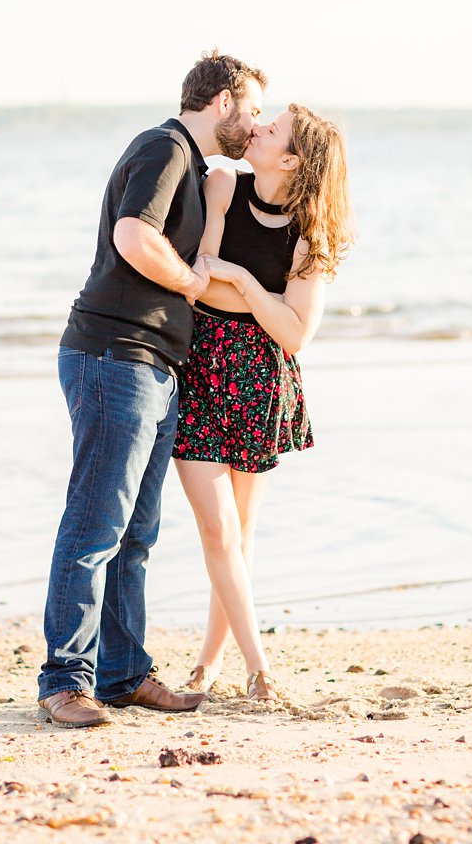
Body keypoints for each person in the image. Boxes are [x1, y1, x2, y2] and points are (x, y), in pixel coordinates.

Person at [37, 50, 266, 729]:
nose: (253, 125)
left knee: (135, 532)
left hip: (155, 367)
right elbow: (133, 236)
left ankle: (124, 674)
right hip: (115, 355)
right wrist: (192, 283)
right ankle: (64, 682)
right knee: (95, 524)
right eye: (251, 109)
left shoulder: (194, 169)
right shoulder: (164, 147)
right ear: (221, 100)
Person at [172, 103, 354, 702]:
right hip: (202, 364)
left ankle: (207, 666)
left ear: (292, 158)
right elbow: (202, 275)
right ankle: (260, 668)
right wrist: (259, 294)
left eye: (271, 130)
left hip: (259, 378)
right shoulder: (222, 184)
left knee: (240, 533)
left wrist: (246, 284)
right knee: (217, 528)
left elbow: (297, 334)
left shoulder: (310, 233)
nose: (256, 128)